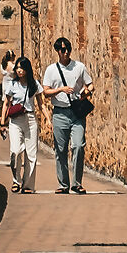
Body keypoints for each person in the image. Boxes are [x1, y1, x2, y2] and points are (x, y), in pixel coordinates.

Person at [41, 36, 92, 194]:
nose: (66, 52)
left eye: (68, 48)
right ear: (58, 51)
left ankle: (76, 183)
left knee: (78, 146)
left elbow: (90, 84)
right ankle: (63, 184)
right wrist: (61, 89)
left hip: (76, 112)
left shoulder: (79, 67)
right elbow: (46, 91)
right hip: (60, 113)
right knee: (60, 150)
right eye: (63, 49)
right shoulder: (51, 70)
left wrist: (86, 92)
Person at [2, 55, 39, 193]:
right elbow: (6, 104)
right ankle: (16, 180)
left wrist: (48, 119)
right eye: (17, 68)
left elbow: (40, 105)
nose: (19, 70)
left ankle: (28, 185)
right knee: (15, 151)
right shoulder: (12, 84)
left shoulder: (34, 84)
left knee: (31, 154)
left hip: (30, 119)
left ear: (27, 69)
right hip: (15, 121)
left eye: (22, 68)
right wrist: (2, 122)